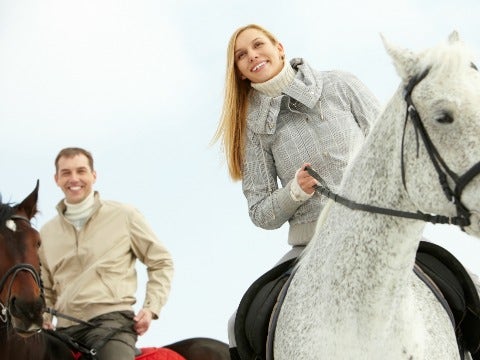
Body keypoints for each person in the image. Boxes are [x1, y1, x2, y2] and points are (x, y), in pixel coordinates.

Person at [213, 24, 381, 358]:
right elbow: (260, 212)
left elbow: (391, 148)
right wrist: (295, 191)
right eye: (241, 56)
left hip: (375, 229)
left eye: (258, 45)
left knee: (470, 287)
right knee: (237, 324)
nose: (252, 56)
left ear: (279, 47)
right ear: (241, 74)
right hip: (311, 245)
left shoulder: (340, 84)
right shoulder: (252, 130)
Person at [39, 147, 174, 360]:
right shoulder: (46, 233)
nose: (74, 178)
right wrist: (43, 317)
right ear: (56, 179)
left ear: (93, 175)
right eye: (66, 173)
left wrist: (151, 308)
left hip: (112, 323)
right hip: (63, 329)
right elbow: (45, 288)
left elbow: (161, 262)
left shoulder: (124, 215)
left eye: (81, 171)